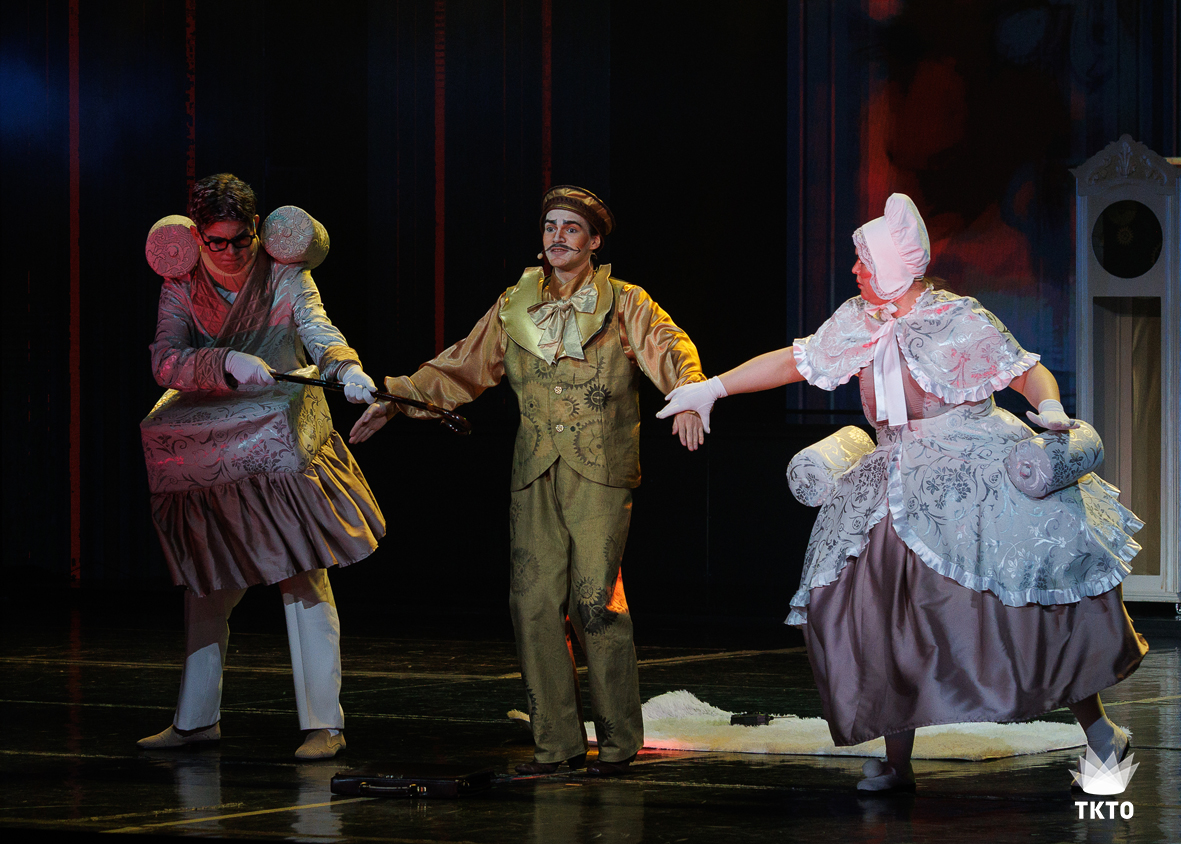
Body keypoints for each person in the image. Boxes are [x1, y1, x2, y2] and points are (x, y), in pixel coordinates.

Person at [658, 193, 1147, 793]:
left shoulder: (958, 317)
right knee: (881, 609)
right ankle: (897, 761)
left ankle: (1099, 731)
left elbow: (1026, 370)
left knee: (1022, 602)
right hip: (893, 472)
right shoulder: (858, 320)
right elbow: (794, 360)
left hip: (972, 463)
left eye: (864, 260)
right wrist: (713, 388)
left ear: (895, 264)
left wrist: (1048, 407)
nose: (855, 269)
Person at [350, 186, 706, 775]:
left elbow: (671, 349)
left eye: (572, 228)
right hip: (534, 466)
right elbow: (462, 365)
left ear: (594, 241)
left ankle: (619, 744)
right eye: (550, 227)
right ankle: (556, 745)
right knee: (532, 603)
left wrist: (690, 395)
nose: (558, 237)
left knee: (594, 600)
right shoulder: (513, 304)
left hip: (599, 467)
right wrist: (396, 399)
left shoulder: (625, 302)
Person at [137, 173, 385, 760]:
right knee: (208, 582)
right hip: (217, 449)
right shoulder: (181, 282)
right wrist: (222, 362)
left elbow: (318, 328)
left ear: (257, 228)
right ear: (197, 237)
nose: (229, 253)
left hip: (280, 442)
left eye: (240, 240)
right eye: (216, 243)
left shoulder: (283, 272)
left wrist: (345, 367)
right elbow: (166, 360)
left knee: (302, 575)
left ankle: (324, 724)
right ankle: (196, 721)